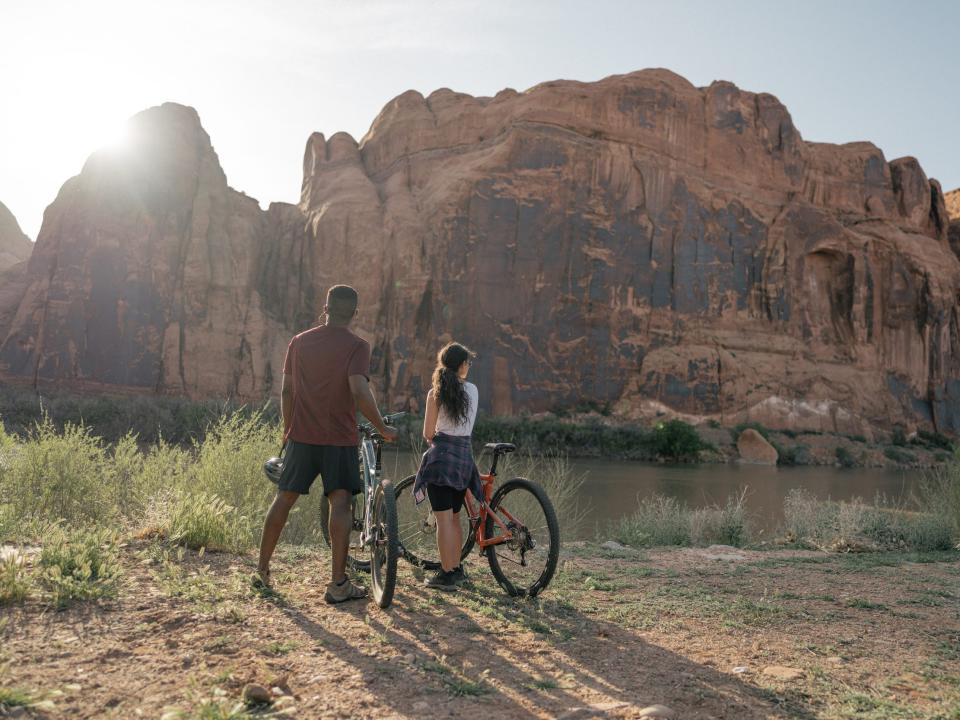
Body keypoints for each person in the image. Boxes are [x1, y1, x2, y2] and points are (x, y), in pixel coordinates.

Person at [256, 284, 397, 603]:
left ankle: (262, 570)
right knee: (341, 502)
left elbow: (287, 391)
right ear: (355, 313)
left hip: (302, 436)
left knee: (284, 499)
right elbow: (359, 390)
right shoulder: (358, 346)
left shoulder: (299, 342)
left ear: (326, 308)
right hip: (338, 439)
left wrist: (287, 428)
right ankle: (337, 585)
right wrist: (382, 427)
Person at [413, 342, 482, 591]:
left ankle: (446, 572)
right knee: (454, 518)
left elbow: (428, 432)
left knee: (442, 521)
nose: (469, 366)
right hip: (464, 459)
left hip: (442, 460)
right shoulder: (473, 391)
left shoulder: (436, 393)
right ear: (461, 365)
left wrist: (438, 441)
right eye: (468, 362)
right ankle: (456, 569)